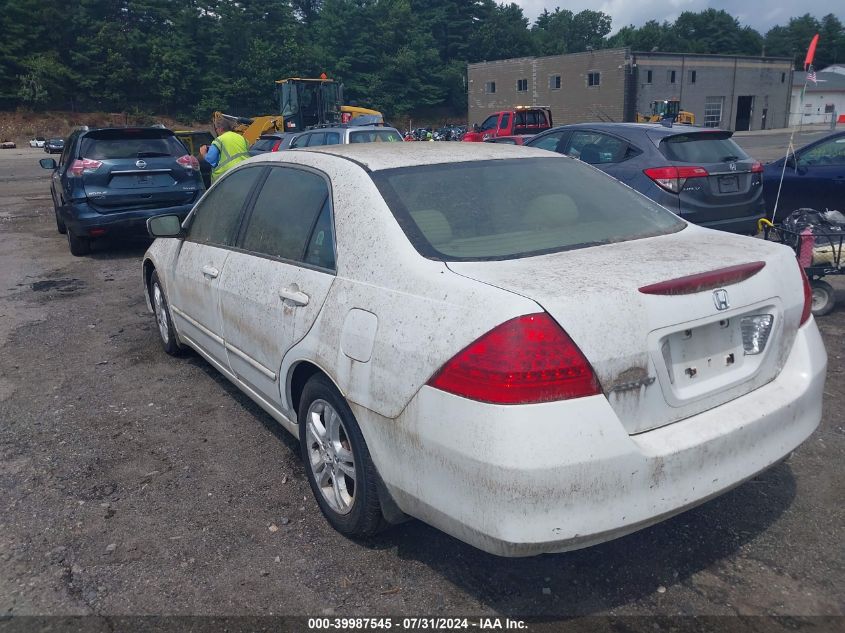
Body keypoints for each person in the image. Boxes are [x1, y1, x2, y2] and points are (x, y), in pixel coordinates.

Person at [199, 118, 250, 183]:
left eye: (216, 129)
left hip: (227, 175)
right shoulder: (241, 137)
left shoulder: (219, 140)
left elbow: (211, 159)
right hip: (245, 170)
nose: (217, 131)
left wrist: (203, 152)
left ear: (220, 128)